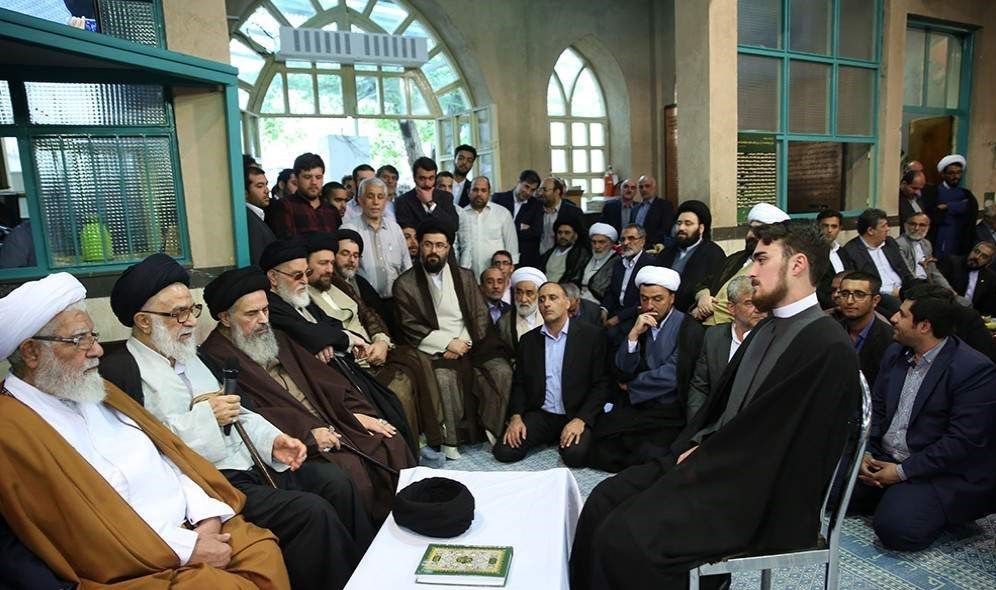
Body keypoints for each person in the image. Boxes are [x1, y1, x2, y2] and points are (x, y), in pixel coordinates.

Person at [570, 222, 861, 590]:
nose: (751, 272)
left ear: (797, 264)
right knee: (602, 500)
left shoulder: (825, 344)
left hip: (759, 495)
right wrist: (695, 445)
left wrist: (705, 458)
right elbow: (721, 408)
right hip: (718, 461)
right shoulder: (766, 327)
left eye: (761, 260)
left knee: (626, 537)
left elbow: (786, 446)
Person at [0, 273, 291, 589]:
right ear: (31, 353)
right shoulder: (12, 429)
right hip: (137, 563)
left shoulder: (98, 391)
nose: (97, 350)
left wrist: (206, 518)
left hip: (194, 525)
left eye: (93, 336)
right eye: (79, 340)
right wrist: (185, 549)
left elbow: (171, 458)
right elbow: (81, 527)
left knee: (261, 551)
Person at [101, 255, 368, 590]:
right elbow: (142, 448)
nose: (191, 322)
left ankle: (367, 576)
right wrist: (205, 418)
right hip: (209, 486)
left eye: (192, 310)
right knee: (310, 512)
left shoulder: (195, 356)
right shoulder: (121, 373)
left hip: (252, 465)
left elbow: (240, 411)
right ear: (143, 321)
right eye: (179, 313)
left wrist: (274, 441)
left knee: (336, 482)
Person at [201, 266, 416, 523]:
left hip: (334, 419)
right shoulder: (215, 357)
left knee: (390, 440)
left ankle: (410, 521)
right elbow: (252, 415)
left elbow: (327, 382)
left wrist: (355, 414)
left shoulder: (276, 337)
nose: (264, 319)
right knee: (347, 470)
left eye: (266, 310)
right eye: (252, 313)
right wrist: (310, 436)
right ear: (225, 318)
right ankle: (370, 541)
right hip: (295, 441)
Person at [850, 285, 996, 551]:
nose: (893, 318)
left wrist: (901, 473)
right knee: (824, 489)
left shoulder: (973, 370)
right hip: (885, 456)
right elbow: (876, 410)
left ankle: (903, 497)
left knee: (897, 530)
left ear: (924, 326)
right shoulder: (896, 353)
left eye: (903, 314)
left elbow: (959, 443)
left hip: (936, 472)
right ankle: (891, 493)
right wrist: (866, 452)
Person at [258, 239, 416, 454]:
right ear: (273, 277)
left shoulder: (300, 297)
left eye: (306, 273)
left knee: (391, 403)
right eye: (297, 275)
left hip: (342, 367)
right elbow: (306, 332)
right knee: (380, 420)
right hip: (322, 382)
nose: (304, 280)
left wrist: (329, 338)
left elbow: (331, 325)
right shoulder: (271, 306)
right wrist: (329, 339)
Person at [306, 231, 446, 455]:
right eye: (323, 263)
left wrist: (381, 341)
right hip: (354, 365)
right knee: (400, 388)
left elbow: (369, 315)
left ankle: (432, 435)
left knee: (419, 360)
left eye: (331, 263)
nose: (330, 269)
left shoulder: (340, 285)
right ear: (306, 266)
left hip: (376, 350)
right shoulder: (304, 297)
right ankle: (409, 450)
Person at [392, 219, 513, 457]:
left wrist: (463, 343)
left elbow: (479, 315)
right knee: (443, 377)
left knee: (502, 371)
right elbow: (409, 326)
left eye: (440, 245)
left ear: (448, 248)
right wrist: (447, 344)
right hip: (431, 348)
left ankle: (493, 429)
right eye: (428, 244)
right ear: (420, 245)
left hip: (470, 342)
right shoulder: (404, 283)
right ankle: (450, 439)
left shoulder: (465, 276)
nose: (433, 251)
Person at [588, 266, 705, 473]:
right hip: (638, 406)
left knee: (648, 456)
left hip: (668, 411)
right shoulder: (638, 323)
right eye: (644, 299)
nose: (650, 305)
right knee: (599, 447)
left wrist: (632, 385)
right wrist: (633, 336)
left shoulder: (689, 328)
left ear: (672, 298)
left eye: (657, 299)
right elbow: (623, 369)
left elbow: (673, 374)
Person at [492, 282, 608, 467]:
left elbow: (601, 384)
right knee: (504, 451)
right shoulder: (529, 341)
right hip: (542, 414)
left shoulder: (591, 336)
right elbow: (520, 383)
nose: (546, 304)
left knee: (575, 456)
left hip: (575, 413)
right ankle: (551, 435)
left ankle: (566, 435)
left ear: (567, 303)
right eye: (542, 299)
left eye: (553, 298)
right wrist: (516, 417)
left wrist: (581, 420)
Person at [692, 202, 789, 324]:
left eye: (758, 231)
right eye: (750, 229)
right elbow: (705, 282)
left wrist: (708, 310)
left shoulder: (775, 267)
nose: (750, 235)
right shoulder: (736, 258)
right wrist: (703, 297)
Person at [687, 275, 767, 422]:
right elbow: (699, 388)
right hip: (712, 424)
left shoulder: (773, 338)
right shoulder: (713, 337)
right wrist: (695, 425)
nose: (759, 309)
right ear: (731, 308)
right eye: (750, 303)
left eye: (761, 302)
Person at [341, 176, 412, 300]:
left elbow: (407, 268)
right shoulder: (349, 230)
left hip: (396, 300)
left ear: (386, 201)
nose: (375, 202)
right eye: (370, 196)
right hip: (363, 302)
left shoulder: (395, 229)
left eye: (380, 197)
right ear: (360, 200)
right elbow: (343, 272)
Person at [840, 208, 913, 317]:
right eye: (883, 226)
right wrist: (891, 291)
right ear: (870, 230)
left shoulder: (890, 242)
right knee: (903, 309)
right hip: (880, 294)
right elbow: (860, 284)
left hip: (903, 290)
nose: (888, 229)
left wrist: (913, 287)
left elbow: (904, 270)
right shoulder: (851, 251)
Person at [657, 200, 727, 313]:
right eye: (679, 223)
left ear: (701, 228)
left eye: (688, 224)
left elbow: (715, 290)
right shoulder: (666, 253)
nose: (681, 228)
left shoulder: (714, 254)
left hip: (693, 315)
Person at [835, 271, 895, 387]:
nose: (850, 301)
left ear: (875, 300)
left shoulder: (890, 339)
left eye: (859, 294)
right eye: (845, 294)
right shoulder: (830, 332)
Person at [602, 224, 658, 344]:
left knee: (612, 336)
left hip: (636, 315)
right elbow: (611, 291)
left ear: (642, 241)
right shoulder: (618, 264)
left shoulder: (650, 264)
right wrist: (604, 310)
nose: (626, 243)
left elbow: (644, 300)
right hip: (615, 311)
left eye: (631, 238)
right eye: (623, 239)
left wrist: (617, 318)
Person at [456, 176, 518, 277]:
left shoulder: (503, 214)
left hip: (497, 279)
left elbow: (512, 251)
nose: (479, 194)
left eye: (483, 190)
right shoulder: (460, 215)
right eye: (475, 190)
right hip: (470, 277)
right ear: (468, 192)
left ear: (489, 193)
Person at [268, 153, 341, 238]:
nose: (314, 182)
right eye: (307, 177)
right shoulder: (285, 206)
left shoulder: (331, 210)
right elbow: (286, 242)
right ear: (296, 178)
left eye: (318, 177)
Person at [922, 154, 980, 258]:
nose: (956, 176)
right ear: (943, 174)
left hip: (962, 240)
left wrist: (948, 206)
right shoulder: (933, 192)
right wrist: (959, 206)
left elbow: (971, 209)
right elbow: (932, 213)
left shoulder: (966, 194)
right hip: (940, 239)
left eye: (958, 173)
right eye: (951, 173)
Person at [492, 169, 544, 267]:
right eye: (526, 186)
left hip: (524, 258)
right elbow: (493, 227)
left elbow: (537, 232)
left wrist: (508, 228)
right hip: (499, 253)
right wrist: (521, 226)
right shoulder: (499, 199)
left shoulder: (536, 205)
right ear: (518, 181)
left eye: (532, 190)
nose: (528, 192)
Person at [895, 212, 956, 294]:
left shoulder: (926, 244)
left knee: (960, 300)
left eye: (922, 225)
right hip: (912, 287)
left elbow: (934, 272)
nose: (917, 228)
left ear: (928, 227)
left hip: (927, 284)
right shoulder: (899, 244)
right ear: (905, 225)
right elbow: (908, 273)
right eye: (913, 224)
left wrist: (950, 291)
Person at [395, 157, 459, 231]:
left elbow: (454, 226)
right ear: (414, 178)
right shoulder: (403, 201)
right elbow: (406, 231)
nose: (427, 183)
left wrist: (430, 204)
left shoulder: (446, 197)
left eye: (431, 178)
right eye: (422, 178)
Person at [496, 267, 546, 356]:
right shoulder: (503, 323)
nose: (523, 299)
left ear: (538, 295)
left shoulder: (549, 317)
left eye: (529, 293)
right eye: (519, 293)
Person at [938, 241, 996, 316]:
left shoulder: (990, 277)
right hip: (945, 310)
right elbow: (938, 288)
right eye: (976, 252)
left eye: (984, 256)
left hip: (970, 316)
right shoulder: (952, 263)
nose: (977, 257)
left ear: (988, 263)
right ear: (971, 250)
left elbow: (986, 307)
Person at [537, 176, 584, 256]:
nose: (540, 193)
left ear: (557, 191)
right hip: (539, 257)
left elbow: (582, 238)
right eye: (540, 190)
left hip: (564, 257)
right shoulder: (535, 210)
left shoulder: (573, 212)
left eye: (544, 190)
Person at [539, 217, 590, 285]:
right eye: (560, 232)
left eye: (567, 233)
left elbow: (574, 278)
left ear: (575, 236)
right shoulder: (548, 253)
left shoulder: (580, 254)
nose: (562, 236)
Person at [580, 222, 619, 304]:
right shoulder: (587, 257)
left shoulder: (616, 261)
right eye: (594, 242)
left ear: (611, 243)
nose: (597, 246)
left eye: (602, 242)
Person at [245, 165, 277, 266]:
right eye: (259, 186)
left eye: (266, 185)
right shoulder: (247, 219)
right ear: (245, 192)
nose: (267, 190)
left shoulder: (256, 215)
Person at [633, 175, 675, 247]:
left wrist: (645, 244)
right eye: (641, 187)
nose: (644, 189)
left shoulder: (664, 205)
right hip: (635, 247)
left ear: (654, 188)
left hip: (654, 247)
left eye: (647, 186)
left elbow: (666, 229)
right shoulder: (635, 208)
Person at [818, 208, 845, 273]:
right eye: (825, 226)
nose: (829, 230)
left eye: (834, 226)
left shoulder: (843, 252)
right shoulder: (812, 252)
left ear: (840, 228)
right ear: (818, 226)